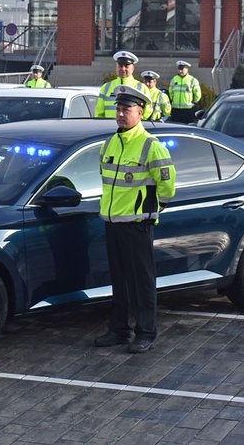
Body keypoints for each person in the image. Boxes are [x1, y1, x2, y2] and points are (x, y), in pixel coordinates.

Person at [93, 84, 175, 354]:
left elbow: (167, 188)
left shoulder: (151, 146)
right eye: (118, 108)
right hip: (113, 222)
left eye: (126, 109)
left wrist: (151, 209)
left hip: (137, 224)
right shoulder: (110, 142)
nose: (120, 114)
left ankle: (146, 332)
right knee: (119, 280)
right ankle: (119, 330)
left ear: (140, 113)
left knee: (141, 282)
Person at [95, 51, 151, 119]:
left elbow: (147, 112)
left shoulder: (142, 88)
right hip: (109, 128)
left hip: (133, 129)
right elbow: (99, 113)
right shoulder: (106, 87)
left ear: (133, 68)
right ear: (116, 67)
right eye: (120, 66)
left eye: (126, 66)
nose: (123, 69)